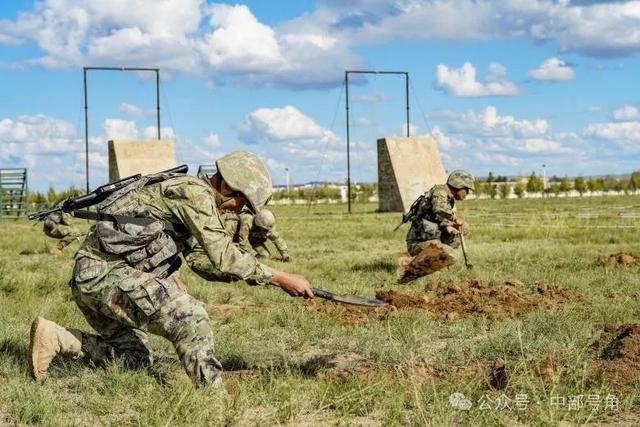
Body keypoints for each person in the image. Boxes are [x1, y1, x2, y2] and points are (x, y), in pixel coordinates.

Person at [29, 151, 314, 387]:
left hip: (95, 281)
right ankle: (212, 399)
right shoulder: (194, 194)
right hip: (103, 276)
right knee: (190, 317)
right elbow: (224, 255)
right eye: (242, 203)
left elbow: (202, 261)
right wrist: (280, 277)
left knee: (134, 360)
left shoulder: (193, 199)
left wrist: (247, 277)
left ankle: (55, 337)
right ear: (228, 186)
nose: (239, 212)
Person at [405, 170, 475, 262]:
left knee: (464, 227)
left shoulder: (449, 198)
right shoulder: (440, 192)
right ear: (458, 186)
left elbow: (439, 217)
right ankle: (425, 262)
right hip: (418, 242)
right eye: (466, 189)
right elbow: (439, 209)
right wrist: (455, 218)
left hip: (432, 236)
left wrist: (448, 227)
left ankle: (436, 259)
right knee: (450, 255)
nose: (467, 193)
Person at [224, 208, 291, 262]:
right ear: (259, 224)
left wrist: (286, 255)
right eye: (264, 229)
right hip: (236, 239)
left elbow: (277, 240)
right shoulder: (247, 221)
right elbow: (243, 242)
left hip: (254, 241)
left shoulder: (267, 226)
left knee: (265, 258)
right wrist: (255, 254)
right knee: (239, 257)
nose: (266, 232)